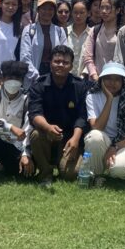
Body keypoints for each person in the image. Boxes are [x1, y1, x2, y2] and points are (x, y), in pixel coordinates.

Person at [26, 45, 89, 187]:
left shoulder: (80, 86)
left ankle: (61, 163)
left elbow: (83, 116)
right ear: (50, 63)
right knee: (35, 134)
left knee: (71, 174)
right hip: (46, 135)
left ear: (71, 66)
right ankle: (45, 172)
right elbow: (35, 114)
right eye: (57, 61)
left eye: (65, 62)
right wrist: (48, 127)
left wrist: (75, 138)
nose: (60, 65)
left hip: (69, 138)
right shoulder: (39, 85)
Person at [83, 62, 125, 181]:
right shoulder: (92, 96)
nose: (112, 83)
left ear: (123, 81)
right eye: (108, 78)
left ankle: (111, 168)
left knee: (120, 170)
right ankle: (96, 175)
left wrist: (115, 147)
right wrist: (109, 99)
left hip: (123, 142)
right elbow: (97, 128)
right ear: (101, 79)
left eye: (117, 79)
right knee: (94, 136)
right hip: (102, 141)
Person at [21, 0, 68, 83]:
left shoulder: (60, 31)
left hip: (54, 78)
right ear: (38, 10)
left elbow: (65, 55)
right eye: (44, 8)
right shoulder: (29, 29)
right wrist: (37, 77)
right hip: (33, 78)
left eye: (50, 9)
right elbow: (25, 57)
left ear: (54, 11)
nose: (47, 12)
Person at [82, 0, 123, 82]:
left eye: (108, 8)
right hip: (96, 80)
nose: (104, 11)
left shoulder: (123, 32)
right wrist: (94, 75)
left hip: (117, 82)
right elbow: (88, 57)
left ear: (118, 10)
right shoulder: (94, 31)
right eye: (102, 8)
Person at [65, 0, 90, 77]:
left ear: (88, 13)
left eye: (82, 12)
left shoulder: (93, 34)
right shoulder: (64, 32)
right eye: (75, 12)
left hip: (85, 79)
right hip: (65, 78)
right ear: (71, 13)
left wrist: (84, 74)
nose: (78, 16)